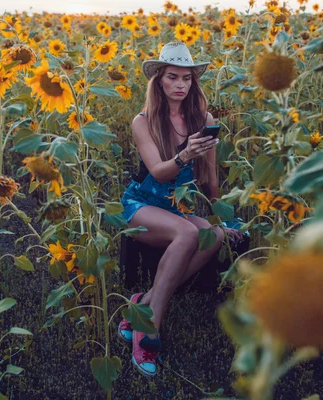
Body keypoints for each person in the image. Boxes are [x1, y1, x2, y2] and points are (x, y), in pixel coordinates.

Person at [117, 42, 243, 377]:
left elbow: (211, 177)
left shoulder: (203, 119)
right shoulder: (143, 121)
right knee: (189, 233)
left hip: (180, 204)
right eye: (173, 77)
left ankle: (143, 302)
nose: (180, 85)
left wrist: (222, 219)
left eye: (186, 78)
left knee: (211, 235)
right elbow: (158, 172)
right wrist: (185, 154)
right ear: (158, 80)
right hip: (144, 202)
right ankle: (149, 329)